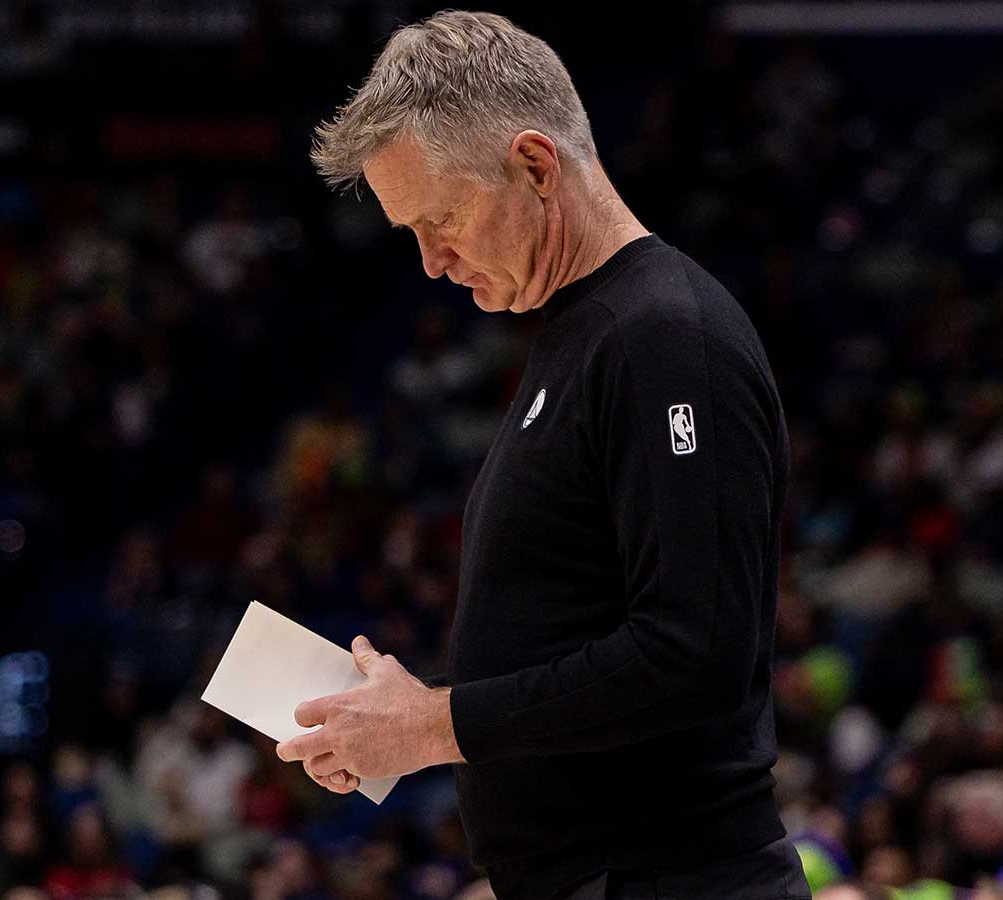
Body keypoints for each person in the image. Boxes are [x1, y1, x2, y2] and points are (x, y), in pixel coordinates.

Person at [275, 10, 800, 900]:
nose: (433, 263)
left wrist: (437, 725)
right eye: (410, 234)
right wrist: (404, 720)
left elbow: (695, 654)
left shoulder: (664, 336)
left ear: (535, 164)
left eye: (442, 218)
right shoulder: (585, 333)